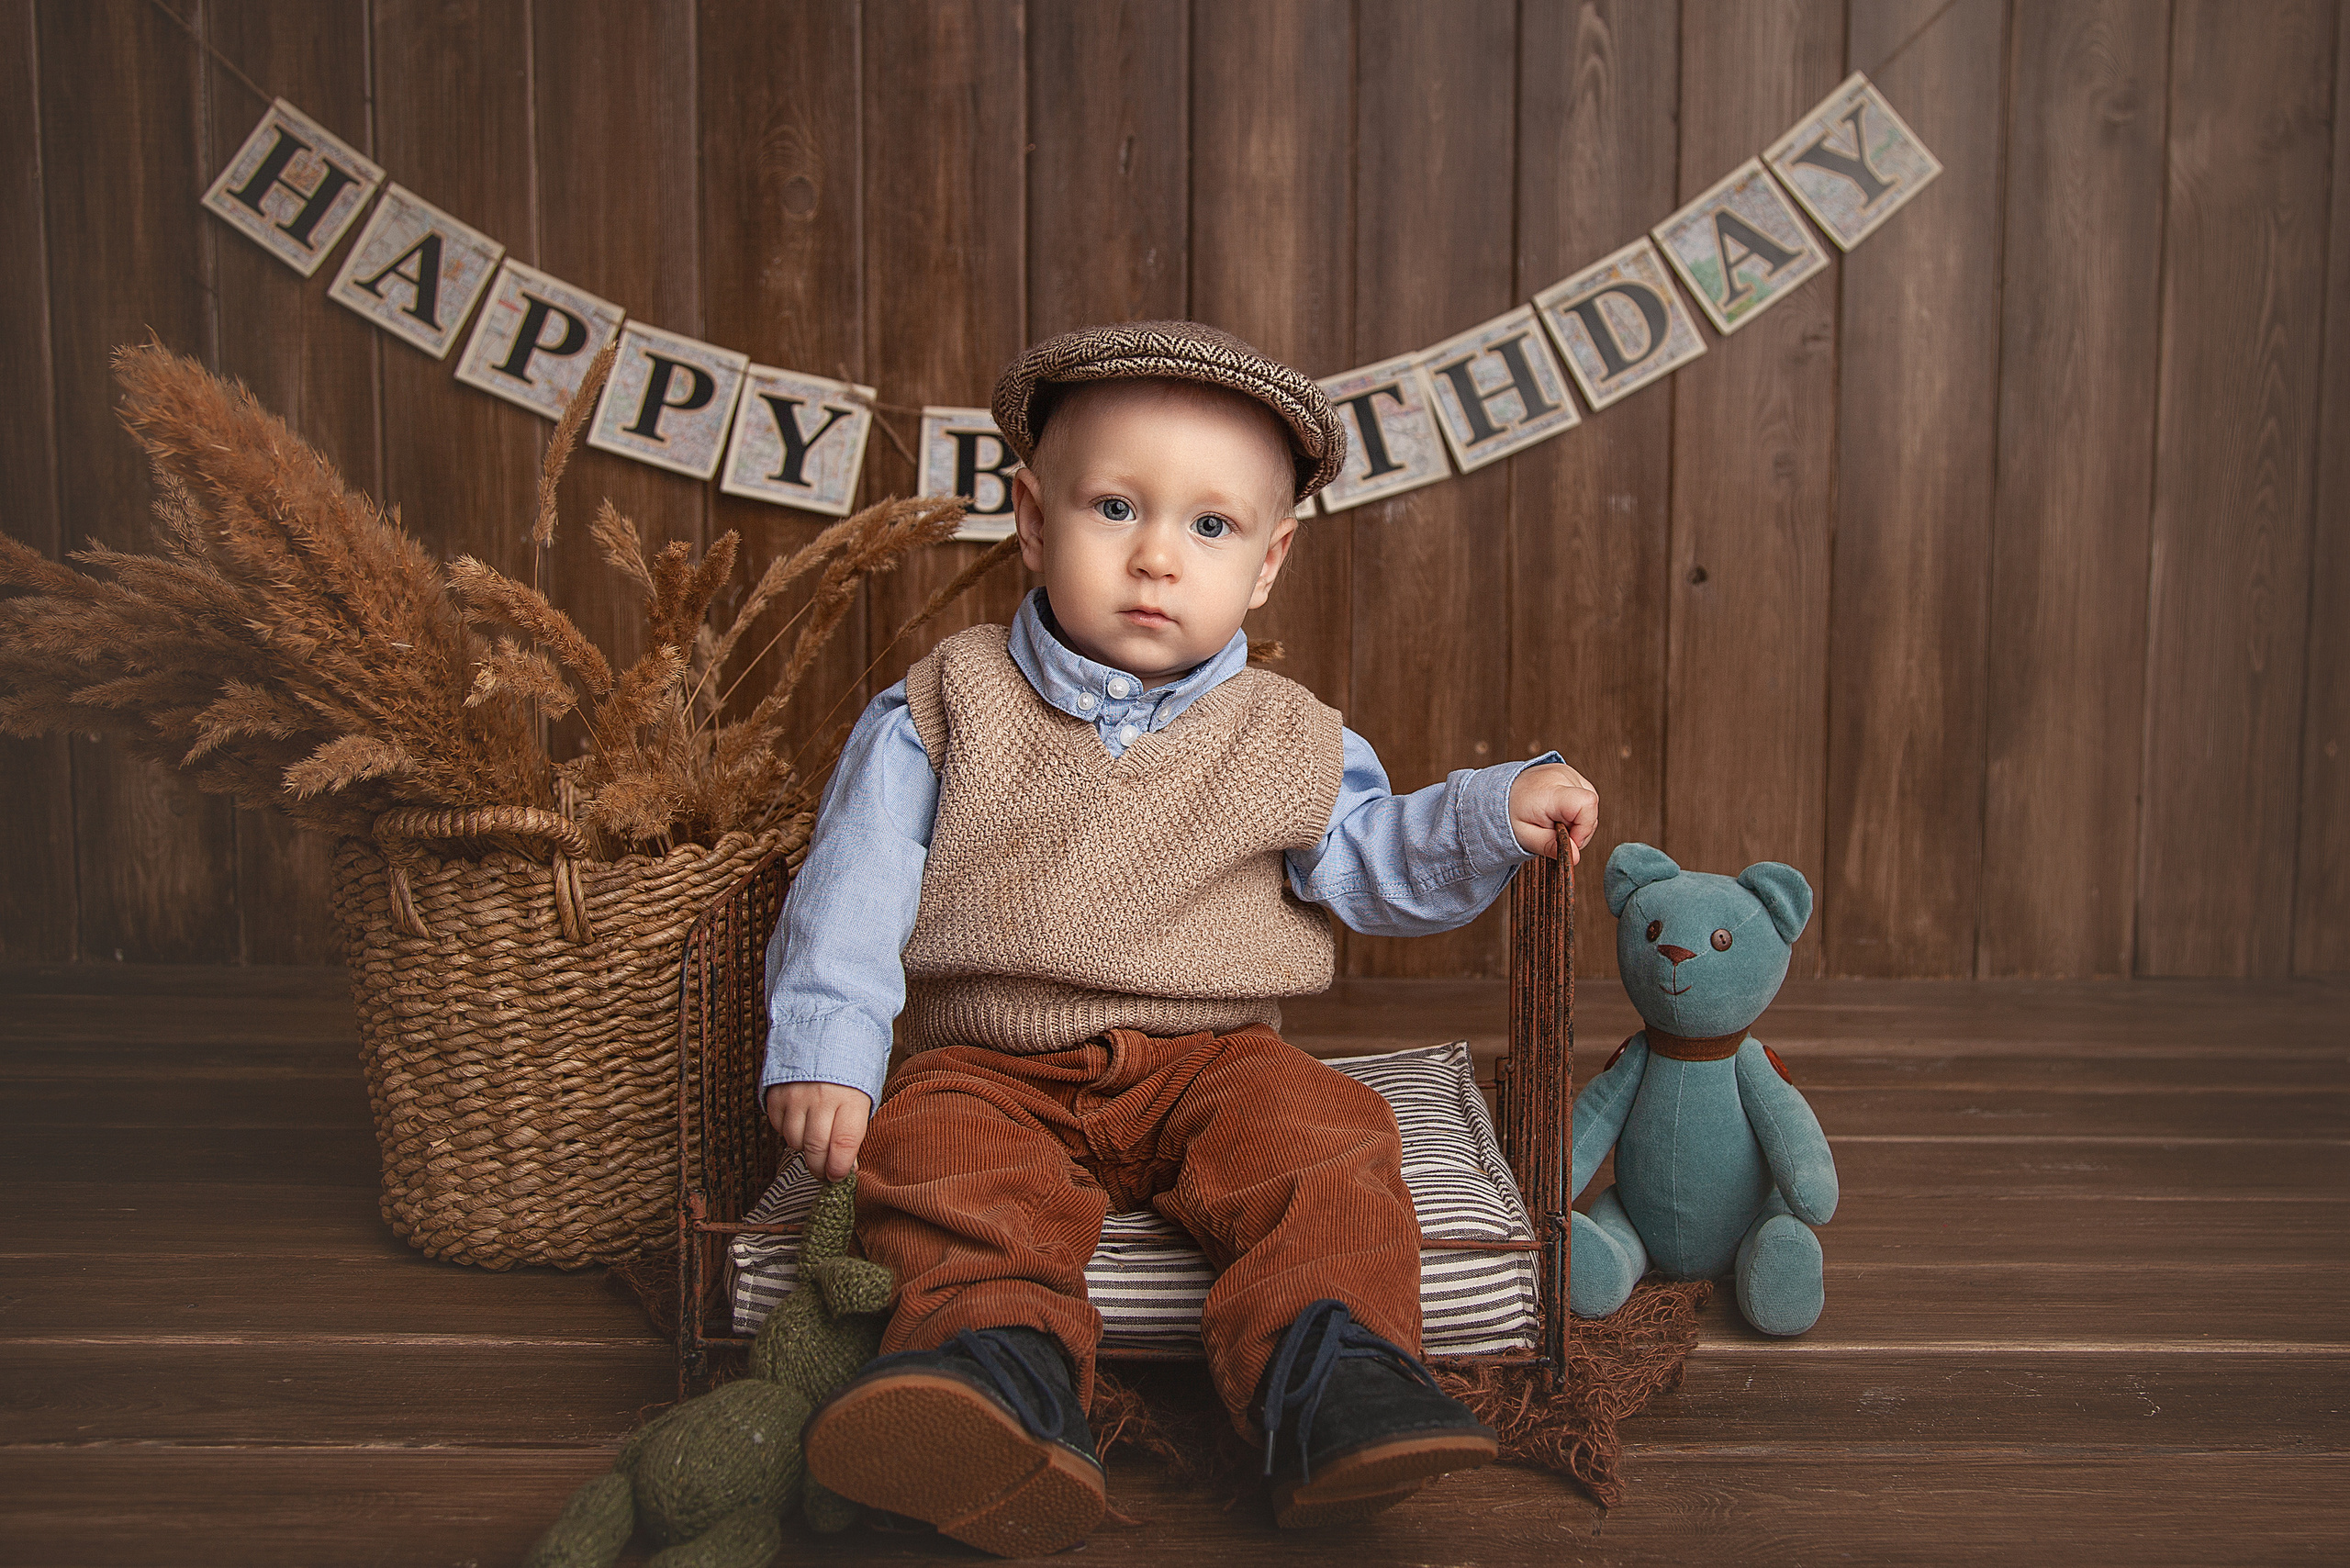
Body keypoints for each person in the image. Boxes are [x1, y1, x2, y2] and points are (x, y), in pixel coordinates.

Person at [761, 321, 1599, 1555]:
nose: (1158, 557)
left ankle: (1336, 1384)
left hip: (1213, 1058)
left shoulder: (1293, 735)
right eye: (1115, 509)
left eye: (1211, 527)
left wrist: (1490, 812)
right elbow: (854, 887)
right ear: (1034, 521)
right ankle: (997, 1381)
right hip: (993, 1059)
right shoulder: (945, 704)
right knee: (937, 1161)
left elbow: (1376, 872)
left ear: (1268, 563)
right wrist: (827, 1049)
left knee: (1329, 1140)